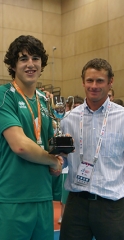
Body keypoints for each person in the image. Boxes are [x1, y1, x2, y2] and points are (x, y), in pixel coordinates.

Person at [0, 35, 63, 240]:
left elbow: (48, 144)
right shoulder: (2, 95)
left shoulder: (44, 100)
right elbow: (19, 145)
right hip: (11, 198)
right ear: (13, 64)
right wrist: (52, 160)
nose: (30, 64)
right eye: (23, 59)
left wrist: (59, 157)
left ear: (42, 63)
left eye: (35, 58)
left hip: (43, 197)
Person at [60, 58, 124, 240]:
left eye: (100, 81)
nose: (94, 86)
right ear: (83, 82)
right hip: (77, 203)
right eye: (89, 80)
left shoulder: (122, 117)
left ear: (110, 82)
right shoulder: (68, 118)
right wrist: (55, 163)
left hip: (111, 205)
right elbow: (62, 157)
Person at [58, 95, 84, 224]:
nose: (77, 109)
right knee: (64, 198)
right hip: (70, 176)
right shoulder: (65, 120)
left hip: (108, 199)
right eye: (74, 106)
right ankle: (63, 216)